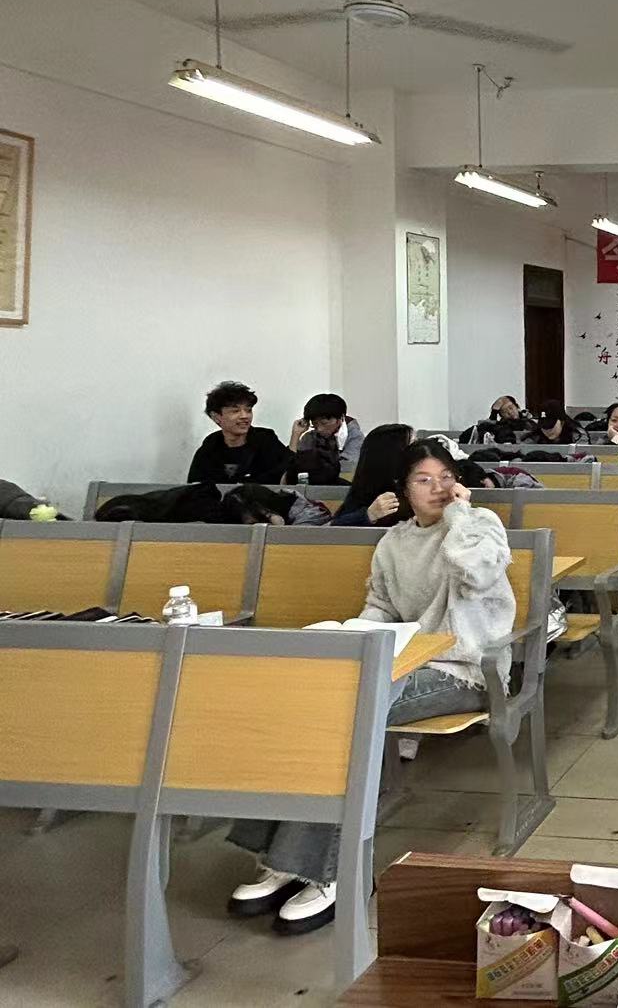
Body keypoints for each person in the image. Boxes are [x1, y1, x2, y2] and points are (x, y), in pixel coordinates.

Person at [226, 438, 513, 932]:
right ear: (403, 489)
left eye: (446, 477)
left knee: (347, 716)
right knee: (310, 706)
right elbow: (381, 605)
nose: (438, 488)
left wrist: (460, 514)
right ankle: (283, 857)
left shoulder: (479, 525)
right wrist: (358, 633)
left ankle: (329, 870)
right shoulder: (394, 541)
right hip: (402, 662)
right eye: (424, 480)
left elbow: (477, 572)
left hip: (464, 671)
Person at [187, 381, 293, 484]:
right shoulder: (210, 447)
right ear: (216, 417)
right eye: (235, 411)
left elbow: (287, 471)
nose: (244, 416)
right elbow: (195, 486)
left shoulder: (266, 440)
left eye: (248, 410)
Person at [330, 424, 415, 527]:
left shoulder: (419, 486)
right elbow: (335, 529)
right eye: (413, 446)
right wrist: (369, 515)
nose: (420, 450)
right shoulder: (368, 491)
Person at [289, 393, 363, 483]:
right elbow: (291, 466)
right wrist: (296, 434)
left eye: (324, 423)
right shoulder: (310, 437)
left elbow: (348, 467)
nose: (319, 429)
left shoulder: (355, 436)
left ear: (340, 419)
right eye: (315, 424)